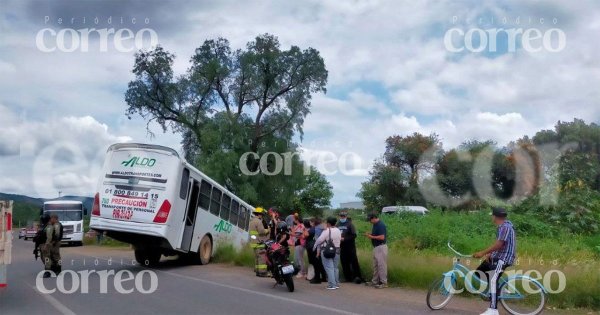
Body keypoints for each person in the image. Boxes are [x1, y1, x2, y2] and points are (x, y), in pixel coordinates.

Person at [472, 207, 516, 315]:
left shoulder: (505, 227)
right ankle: (499, 289)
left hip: (503, 258)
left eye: (492, 215)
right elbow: (501, 246)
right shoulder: (502, 227)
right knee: (479, 272)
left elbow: (499, 244)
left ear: (495, 216)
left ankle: (493, 310)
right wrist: (490, 254)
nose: (492, 217)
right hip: (498, 256)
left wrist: (482, 253)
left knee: (492, 280)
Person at [314, 217, 341, 290]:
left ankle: (332, 285)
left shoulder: (326, 231)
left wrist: (315, 246)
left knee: (329, 268)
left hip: (327, 251)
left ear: (328, 223)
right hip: (337, 250)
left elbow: (319, 240)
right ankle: (336, 283)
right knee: (335, 268)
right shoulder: (338, 230)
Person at [336, 210, 363, 283]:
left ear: (346, 216)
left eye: (344, 216)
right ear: (339, 216)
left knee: (353, 261)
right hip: (342, 246)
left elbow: (354, 235)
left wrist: (345, 239)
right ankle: (347, 277)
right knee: (344, 262)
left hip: (350, 246)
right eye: (341, 216)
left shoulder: (350, 224)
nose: (342, 217)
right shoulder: (337, 225)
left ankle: (357, 277)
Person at [365, 213, 387, 289]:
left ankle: (384, 282)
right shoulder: (375, 225)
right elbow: (376, 234)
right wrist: (370, 234)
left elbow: (382, 237)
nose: (370, 222)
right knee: (375, 265)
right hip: (376, 247)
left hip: (381, 247)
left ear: (374, 218)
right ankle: (375, 281)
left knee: (381, 266)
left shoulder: (381, 225)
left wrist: (371, 236)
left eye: (370, 220)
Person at [249, 207, 270, 277]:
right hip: (259, 242)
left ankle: (257, 271)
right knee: (262, 257)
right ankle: (262, 272)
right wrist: (268, 230)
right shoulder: (258, 221)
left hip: (253, 242)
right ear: (259, 214)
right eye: (262, 214)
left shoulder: (251, 221)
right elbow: (261, 231)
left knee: (257, 257)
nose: (262, 216)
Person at [306, 218, 326, 284]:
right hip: (322, 247)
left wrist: (304, 230)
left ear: (313, 223)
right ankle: (324, 277)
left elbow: (305, 235)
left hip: (315, 248)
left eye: (311, 222)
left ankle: (317, 278)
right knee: (320, 263)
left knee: (316, 263)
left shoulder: (313, 229)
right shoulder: (323, 228)